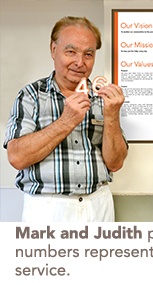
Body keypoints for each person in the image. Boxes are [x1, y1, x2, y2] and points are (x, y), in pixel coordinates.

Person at [3, 16, 128, 222]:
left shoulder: (104, 97)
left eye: (88, 54)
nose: (80, 62)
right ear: (53, 50)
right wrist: (66, 121)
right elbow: (17, 158)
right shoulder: (31, 95)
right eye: (70, 52)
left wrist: (112, 116)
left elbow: (115, 163)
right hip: (47, 207)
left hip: (98, 204)